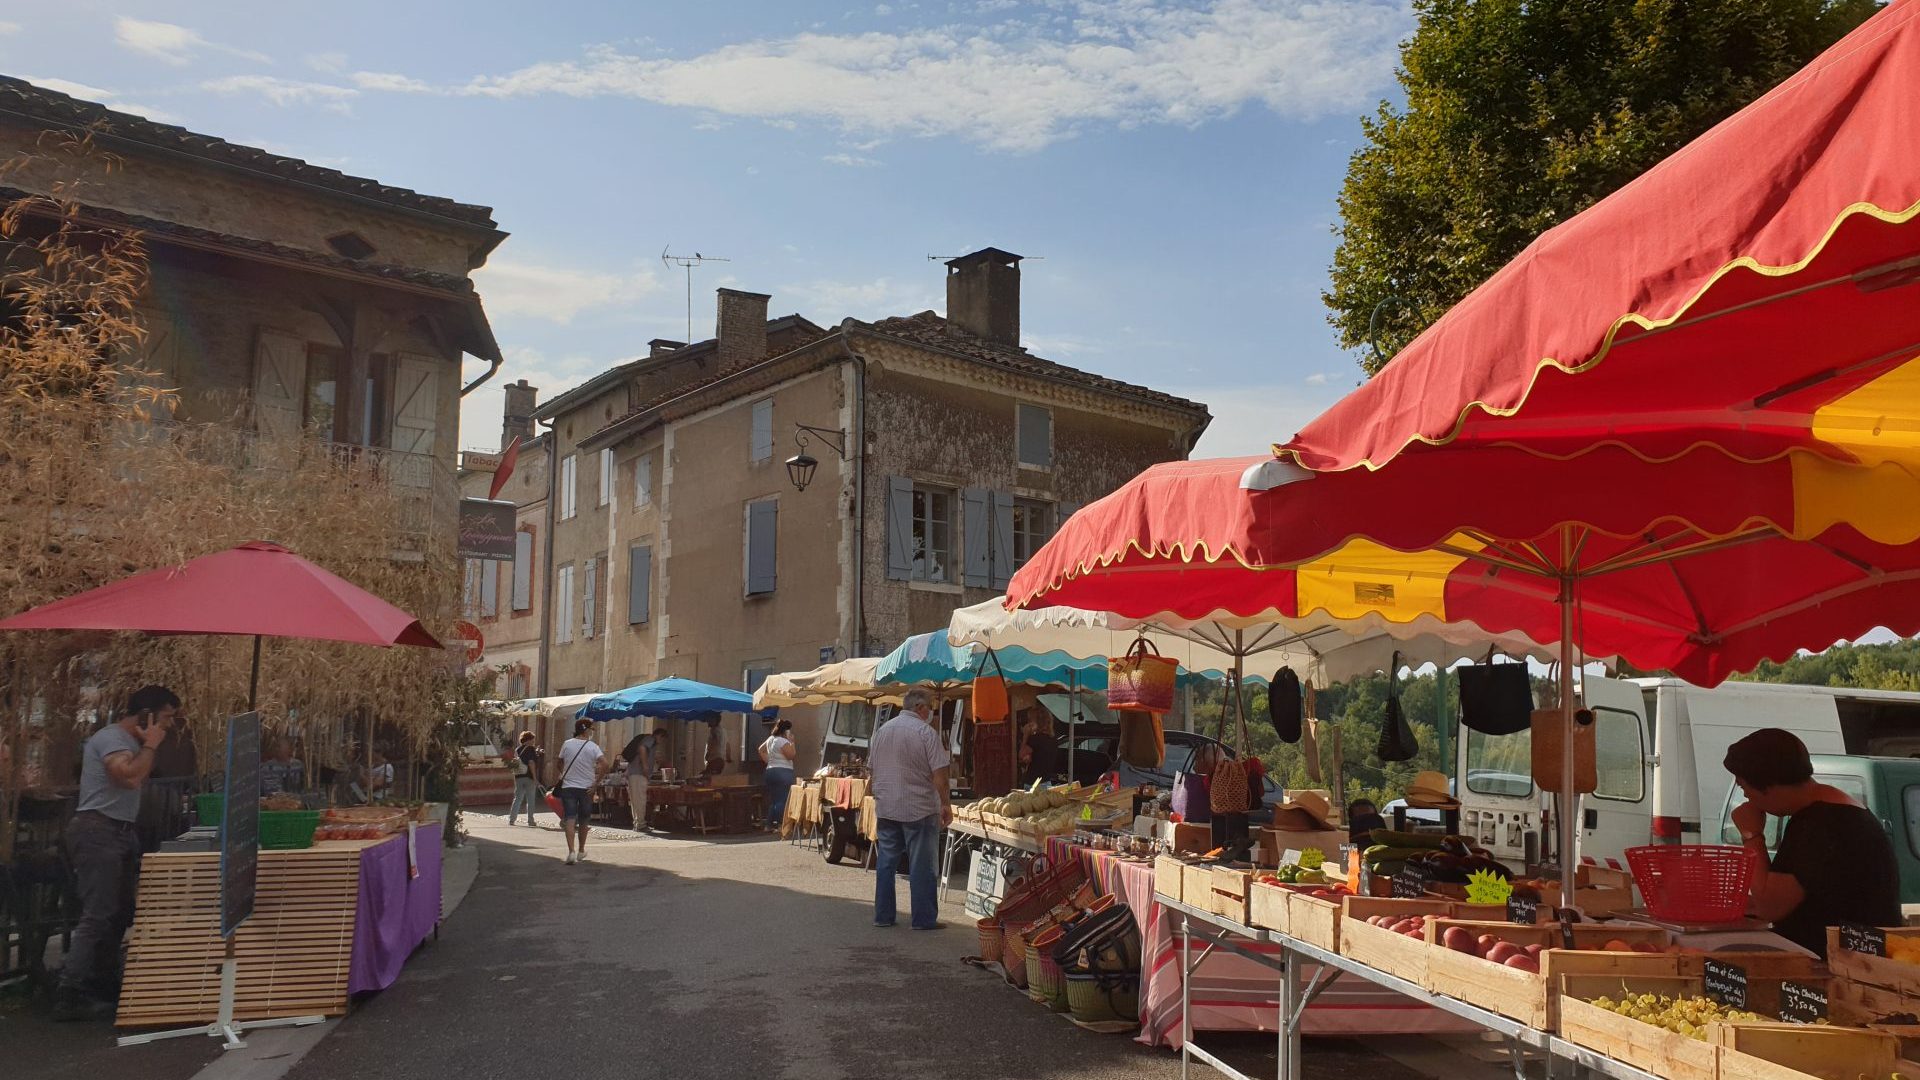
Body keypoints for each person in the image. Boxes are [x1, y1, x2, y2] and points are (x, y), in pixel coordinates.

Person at [56, 685, 176, 1021]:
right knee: (98, 911)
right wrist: (151, 743)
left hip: (121, 833)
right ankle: (71, 988)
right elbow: (128, 777)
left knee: (121, 910)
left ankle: (102, 977)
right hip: (99, 831)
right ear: (147, 715)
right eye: (165, 718)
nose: (168, 727)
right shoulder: (112, 739)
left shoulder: (132, 743)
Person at [1726, 728, 1899, 957]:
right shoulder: (1833, 809)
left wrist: (1752, 835)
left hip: (1846, 965)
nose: (1746, 797)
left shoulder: (1821, 824)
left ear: (1768, 786)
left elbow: (1770, 907)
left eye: (1744, 787)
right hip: (1850, 958)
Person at [868, 689, 952, 930]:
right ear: (920, 708)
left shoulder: (882, 732)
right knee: (922, 866)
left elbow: (871, 771)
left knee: (886, 863)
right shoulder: (926, 733)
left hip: (887, 807)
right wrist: (945, 804)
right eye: (930, 707)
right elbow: (940, 776)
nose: (931, 712)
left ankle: (883, 916)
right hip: (919, 808)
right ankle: (923, 919)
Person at [554, 719, 608, 864]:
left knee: (570, 819)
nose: (591, 732)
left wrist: (565, 773)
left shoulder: (567, 744)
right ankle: (581, 850)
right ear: (586, 730)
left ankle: (571, 852)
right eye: (590, 730)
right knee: (584, 820)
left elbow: (559, 762)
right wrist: (596, 783)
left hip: (568, 787)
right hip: (586, 788)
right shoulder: (593, 747)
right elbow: (605, 763)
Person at [758, 719, 798, 830]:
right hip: (783, 771)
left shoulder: (771, 739)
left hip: (770, 770)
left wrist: (769, 761)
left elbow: (761, 750)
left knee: (774, 799)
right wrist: (792, 742)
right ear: (786, 731)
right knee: (783, 800)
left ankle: (769, 825)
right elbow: (791, 755)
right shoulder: (782, 741)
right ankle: (781, 825)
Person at [620, 727, 659, 833]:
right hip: (639, 774)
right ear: (659, 736)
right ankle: (640, 824)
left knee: (635, 800)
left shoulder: (646, 739)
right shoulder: (650, 739)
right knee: (640, 800)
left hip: (634, 773)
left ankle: (638, 823)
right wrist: (646, 766)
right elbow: (642, 748)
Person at [507, 731, 544, 826]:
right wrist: (535, 778)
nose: (533, 741)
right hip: (529, 777)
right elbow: (531, 762)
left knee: (518, 798)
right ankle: (530, 820)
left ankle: (512, 819)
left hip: (518, 776)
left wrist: (537, 753)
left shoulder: (517, 749)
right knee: (530, 799)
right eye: (532, 739)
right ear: (528, 740)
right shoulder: (531, 749)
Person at [1019, 708, 1057, 785]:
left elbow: (1021, 755)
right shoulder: (1052, 739)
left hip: (1033, 781)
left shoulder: (1035, 739)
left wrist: (1025, 735)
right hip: (1046, 780)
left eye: (1030, 720)